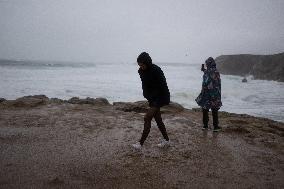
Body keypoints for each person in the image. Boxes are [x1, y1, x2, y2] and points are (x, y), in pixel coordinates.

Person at [132, 52, 170, 150]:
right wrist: (147, 96)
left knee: (147, 117)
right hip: (152, 98)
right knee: (158, 120)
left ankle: (140, 144)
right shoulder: (141, 71)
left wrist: (158, 100)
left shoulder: (157, 70)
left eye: (142, 64)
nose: (141, 66)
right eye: (139, 65)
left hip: (160, 97)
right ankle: (167, 140)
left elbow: (163, 86)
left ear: (147, 62)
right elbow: (145, 85)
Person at [195, 57, 222, 132]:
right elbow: (215, 81)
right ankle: (216, 127)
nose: (206, 65)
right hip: (215, 94)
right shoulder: (216, 71)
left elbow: (208, 77)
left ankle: (205, 126)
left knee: (205, 109)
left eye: (206, 64)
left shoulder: (207, 72)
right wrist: (204, 70)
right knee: (214, 110)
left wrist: (204, 70)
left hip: (206, 93)